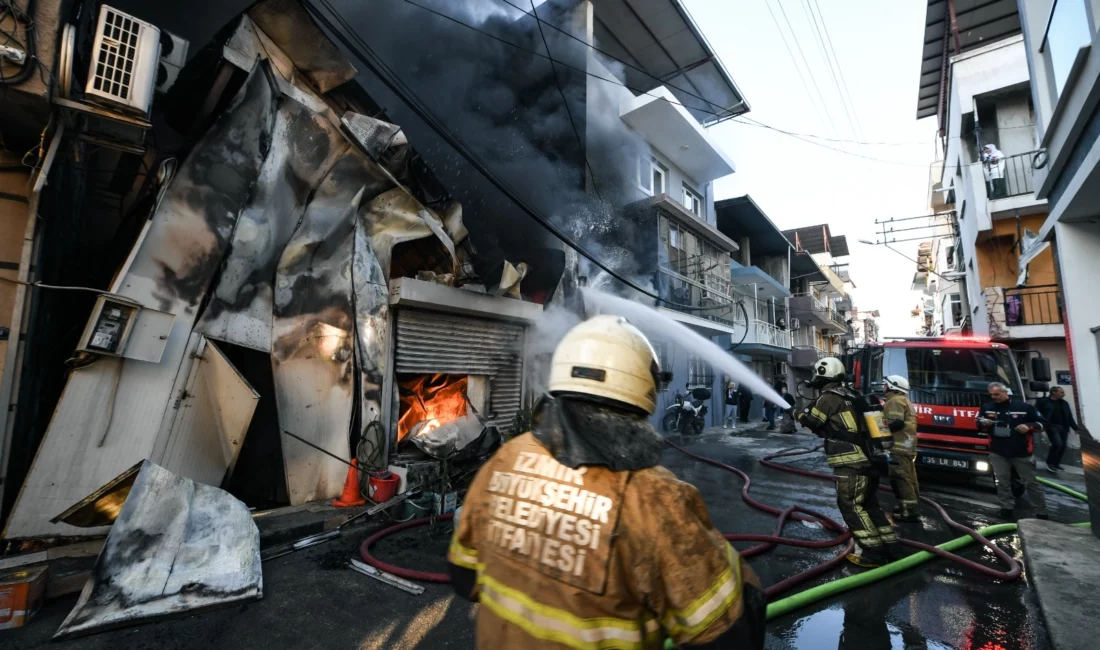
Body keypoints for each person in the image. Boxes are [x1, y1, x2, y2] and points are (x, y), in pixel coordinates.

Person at [448, 315, 766, 649]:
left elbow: (464, 577)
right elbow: (730, 630)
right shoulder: (654, 497)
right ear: (642, 385)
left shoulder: (507, 458)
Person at [797, 357, 901, 567]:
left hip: (851, 463)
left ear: (822, 374)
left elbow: (813, 420)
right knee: (870, 505)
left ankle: (873, 554)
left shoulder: (828, 398)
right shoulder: (853, 394)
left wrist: (798, 414)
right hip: (871, 460)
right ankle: (891, 547)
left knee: (851, 506)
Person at [976, 382, 1049, 520]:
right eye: (991, 394)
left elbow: (1043, 423)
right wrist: (983, 423)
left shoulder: (1024, 407)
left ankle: (1042, 512)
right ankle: (1006, 509)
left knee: (1030, 483)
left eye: (996, 394)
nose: (994, 397)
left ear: (1006, 393)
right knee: (1002, 482)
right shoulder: (987, 407)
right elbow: (978, 423)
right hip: (998, 452)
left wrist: (1028, 426)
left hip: (1021, 453)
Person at [882, 375, 920, 522]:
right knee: (910, 478)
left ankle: (909, 512)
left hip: (898, 446)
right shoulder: (904, 400)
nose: (884, 387)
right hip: (907, 446)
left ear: (893, 386)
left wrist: (877, 426)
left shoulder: (894, 400)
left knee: (901, 478)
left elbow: (895, 423)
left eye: (886, 385)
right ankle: (909, 505)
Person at [1036, 386, 1078, 472]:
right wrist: (1041, 424)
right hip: (1052, 426)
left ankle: (1056, 464)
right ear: (1054, 392)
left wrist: (1076, 428)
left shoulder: (1064, 403)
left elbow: (1069, 417)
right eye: (1061, 392)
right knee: (1057, 444)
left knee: (1063, 446)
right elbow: (1036, 413)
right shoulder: (1043, 402)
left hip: (1064, 427)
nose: (1064, 394)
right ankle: (1050, 463)